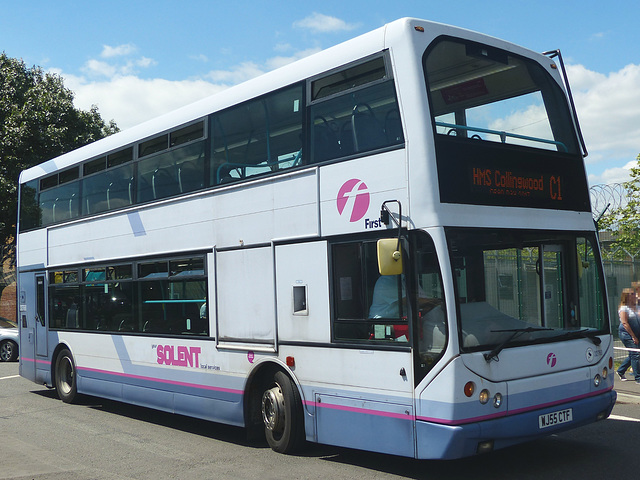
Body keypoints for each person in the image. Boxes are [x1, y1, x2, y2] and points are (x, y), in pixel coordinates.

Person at [616, 287, 640, 383]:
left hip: (637, 332)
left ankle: (620, 370)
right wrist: (633, 336)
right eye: (632, 294)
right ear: (627, 296)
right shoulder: (624, 308)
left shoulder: (636, 307)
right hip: (627, 334)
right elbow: (625, 323)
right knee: (635, 354)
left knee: (634, 354)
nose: (634, 295)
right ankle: (638, 378)